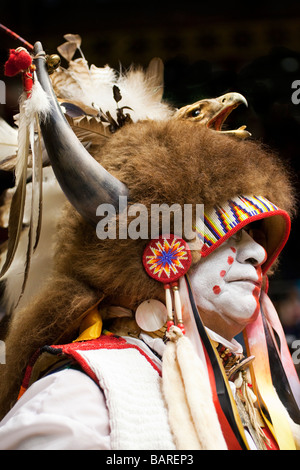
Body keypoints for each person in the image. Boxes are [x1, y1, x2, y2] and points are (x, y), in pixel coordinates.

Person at [0, 40, 299, 450]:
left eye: (255, 234)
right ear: (157, 254)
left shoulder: (258, 391)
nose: (258, 253)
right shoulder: (78, 402)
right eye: (230, 233)